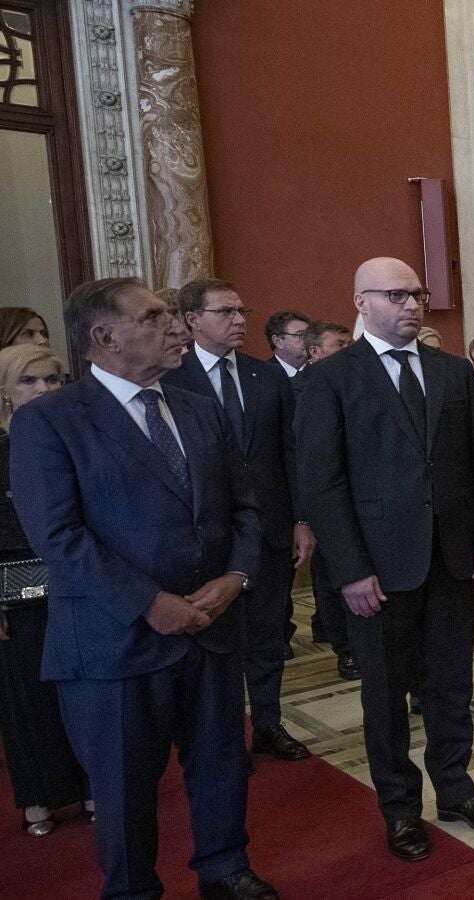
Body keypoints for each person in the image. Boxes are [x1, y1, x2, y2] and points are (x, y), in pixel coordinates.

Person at [11, 277, 275, 899]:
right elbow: (58, 535)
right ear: (105, 336)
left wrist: (236, 578)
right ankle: (132, 890)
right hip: (115, 641)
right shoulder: (50, 420)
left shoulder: (197, 407)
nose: (176, 326)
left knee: (220, 762)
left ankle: (225, 869)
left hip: (210, 627)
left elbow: (245, 508)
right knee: (125, 784)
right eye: (155, 317)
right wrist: (149, 603)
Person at [296, 257, 474, 862]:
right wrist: (349, 569)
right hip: (378, 569)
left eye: (417, 294)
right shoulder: (330, 378)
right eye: (396, 295)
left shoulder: (453, 372)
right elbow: (322, 483)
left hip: (452, 559)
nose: (412, 305)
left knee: (451, 685)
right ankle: (399, 809)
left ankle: (457, 790)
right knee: (386, 695)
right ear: (361, 302)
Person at [164, 278, 315, 762]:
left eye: (241, 311)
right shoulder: (171, 378)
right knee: (215, 641)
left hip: (269, 528)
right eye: (225, 312)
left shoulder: (265, 377)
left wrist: (301, 519)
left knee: (268, 635)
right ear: (192, 320)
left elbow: (290, 452)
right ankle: (222, 737)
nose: (238, 320)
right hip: (204, 533)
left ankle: (268, 724)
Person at [0, 344, 89, 838]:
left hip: (76, 580)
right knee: (27, 698)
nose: (43, 390)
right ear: (5, 392)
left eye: (52, 380)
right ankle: (38, 796)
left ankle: (93, 784)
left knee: (84, 691)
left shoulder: (75, 437)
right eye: (29, 381)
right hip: (12, 595)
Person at [298, 320, 359, 678]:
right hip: (321, 504)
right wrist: (303, 517)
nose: (349, 349)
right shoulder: (299, 388)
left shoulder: (360, 383)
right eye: (340, 344)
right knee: (332, 582)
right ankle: (345, 649)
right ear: (315, 352)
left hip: (360, 499)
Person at [264, 310, 311, 378]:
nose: (309, 339)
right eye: (300, 335)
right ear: (278, 341)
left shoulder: (320, 372)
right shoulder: (262, 375)